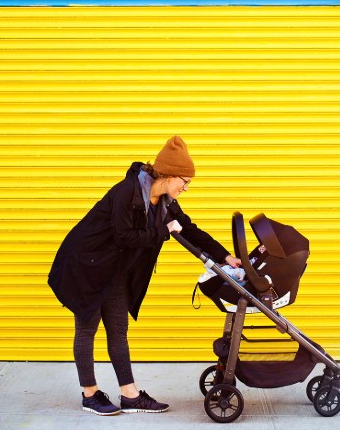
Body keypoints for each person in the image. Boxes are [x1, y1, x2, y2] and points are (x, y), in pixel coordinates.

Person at [48, 135, 241, 416]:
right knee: (87, 328)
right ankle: (89, 393)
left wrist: (224, 256)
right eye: (184, 182)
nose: (186, 188)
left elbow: (188, 229)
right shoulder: (126, 192)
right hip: (86, 265)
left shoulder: (164, 201)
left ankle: (130, 395)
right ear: (168, 175)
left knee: (118, 328)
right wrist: (164, 231)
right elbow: (124, 236)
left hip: (113, 268)